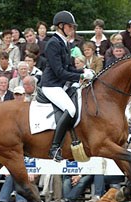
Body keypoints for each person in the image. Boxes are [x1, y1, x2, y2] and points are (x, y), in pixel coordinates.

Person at [40, 10, 93, 161]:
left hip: (61, 84)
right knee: (70, 109)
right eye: (70, 26)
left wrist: (84, 70)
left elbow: (68, 68)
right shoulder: (52, 44)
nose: (72, 29)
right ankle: (54, 147)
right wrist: (81, 76)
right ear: (61, 26)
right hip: (51, 85)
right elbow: (59, 72)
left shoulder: (65, 43)